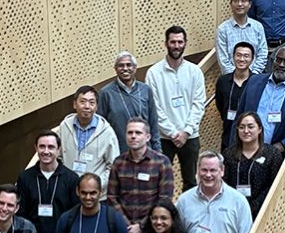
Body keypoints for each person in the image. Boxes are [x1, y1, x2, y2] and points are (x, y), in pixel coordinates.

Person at [176, 151, 253, 233]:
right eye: (204, 170)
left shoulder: (238, 201)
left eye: (213, 170)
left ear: (221, 171)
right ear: (197, 171)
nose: (208, 175)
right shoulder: (184, 201)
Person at [146, 25, 206, 190]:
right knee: (160, 182)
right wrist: (173, 133)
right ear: (166, 44)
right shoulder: (153, 73)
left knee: (191, 182)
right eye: (173, 42)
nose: (176, 46)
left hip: (190, 136)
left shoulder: (195, 72)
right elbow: (154, 108)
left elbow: (198, 104)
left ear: (185, 43)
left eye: (180, 42)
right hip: (164, 138)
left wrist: (186, 132)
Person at [56, 85, 119, 196]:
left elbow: (113, 166)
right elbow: (57, 157)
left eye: (91, 102)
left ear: (96, 107)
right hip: (68, 192)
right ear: (75, 104)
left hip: (95, 195)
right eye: (83, 102)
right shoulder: (64, 127)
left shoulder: (107, 132)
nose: (87, 106)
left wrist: (97, 185)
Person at [97, 51, 161, 154]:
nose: (125, 68)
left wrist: (158, 151)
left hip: (145, 152)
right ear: (115, 69)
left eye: (129, 65)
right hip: (118, 152)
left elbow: (153, 123)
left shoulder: (146, 90)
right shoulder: (106, 93)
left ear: (135, 68)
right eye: (121, 65)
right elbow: (101, 126)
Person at [223, 111, 283, 218]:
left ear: (259, 129)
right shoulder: (228, 154)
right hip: (233, 210)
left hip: (263, 210)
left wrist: (254, 206)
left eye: (250, 127)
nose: (246, 131)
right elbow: (224, 183)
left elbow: (275, 185)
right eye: (241, 127)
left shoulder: (272, 154)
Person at [215, 0, 267, 74]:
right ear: (231, 4)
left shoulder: (258, 27)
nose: (239, 4)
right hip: (231, 79)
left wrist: (253, 75)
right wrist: (236, 77)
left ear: (250, 4)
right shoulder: (222, 29)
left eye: (243, 0)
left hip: (254, 78)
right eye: (236, 1)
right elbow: (223, 59)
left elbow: (262, 53)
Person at [215, 41, 254, 151]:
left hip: (251, 137)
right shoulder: (223, 81)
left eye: (246, 56)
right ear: (233, 57)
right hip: (228, 134)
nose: (242, 59)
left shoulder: (257, 82)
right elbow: (220, 105)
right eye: (238, 55)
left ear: (252, 59)